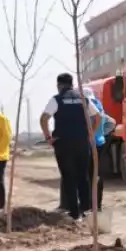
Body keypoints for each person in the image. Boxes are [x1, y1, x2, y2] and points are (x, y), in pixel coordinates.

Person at [40, 73, 101, 222]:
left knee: (69, 177)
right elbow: (98, 116)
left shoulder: (57, 99)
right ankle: (86, 210)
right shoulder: (83, 99)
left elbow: (44, 118)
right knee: (83, 176)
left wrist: (48, 137)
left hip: (63, 143)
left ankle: (74, 213)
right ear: (72, 84)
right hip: (82, 142)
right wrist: (90, 133)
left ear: (59, 85)